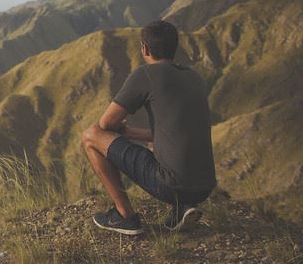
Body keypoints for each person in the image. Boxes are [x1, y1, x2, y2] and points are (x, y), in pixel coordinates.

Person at [81, 20, 217, 235]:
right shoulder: (195, 77)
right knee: (166, 154)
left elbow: (106, 124)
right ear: (175, 47)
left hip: (172, 185)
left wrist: (117, 129)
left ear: (144, 48)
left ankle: (125, 217)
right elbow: (176, 133)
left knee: (91, 135)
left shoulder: (146, 74)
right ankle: (182, 209)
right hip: (205, 186)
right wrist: (129, 133)